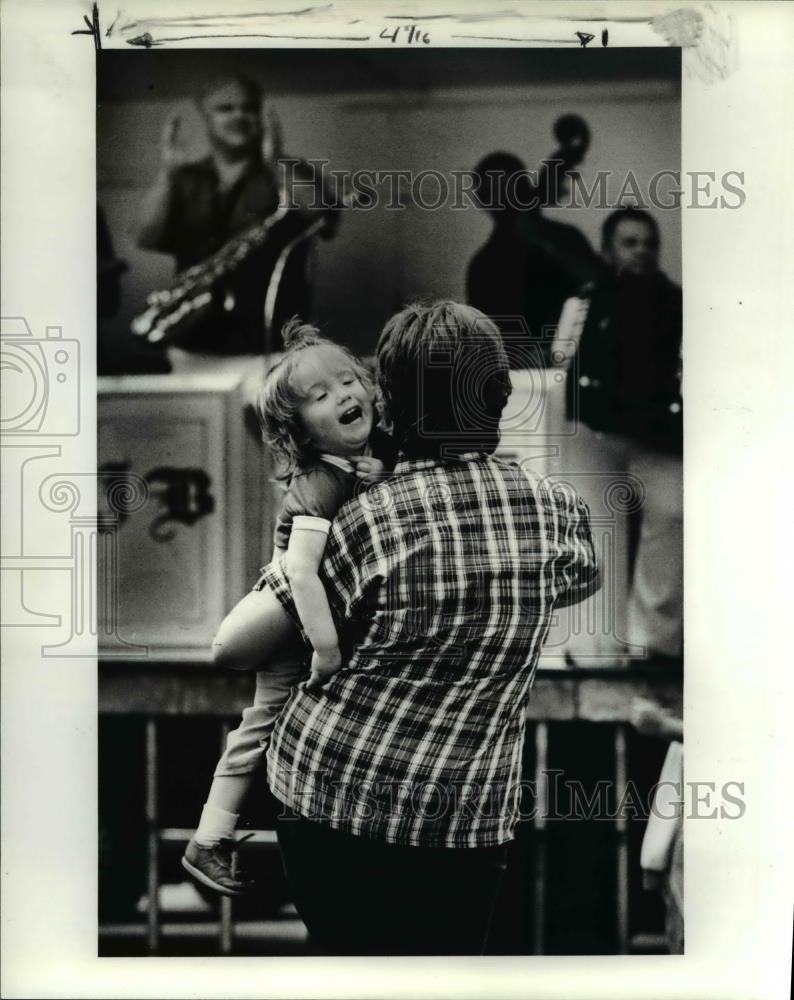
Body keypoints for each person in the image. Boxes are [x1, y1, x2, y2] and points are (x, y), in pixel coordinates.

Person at [246, 300, 600, 955]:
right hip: (465, 819)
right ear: (501, 393)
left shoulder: (361, 520)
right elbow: (581, 579)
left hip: (331, 798)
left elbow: (279, 625)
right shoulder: (559, 514)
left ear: (387, 403)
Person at [181, 318, 397, 896]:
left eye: (349, 381)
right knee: (261, 721)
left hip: (298, 622)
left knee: (260, 728)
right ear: (302, 432)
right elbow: (300, 571)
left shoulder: (359, 463)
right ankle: (209, 841)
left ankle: (209, 839)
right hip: (281, 618)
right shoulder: (320, 482)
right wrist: (326, 650)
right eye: (320, 398)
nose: (344, 396)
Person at [552, 207, 683, 664]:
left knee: (670, 521)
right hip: (597, 432)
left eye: (649, 242)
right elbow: (562, 368)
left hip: (657, 434)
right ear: (608, 249)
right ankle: (594, 652)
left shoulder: (678, 304)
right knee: (595, 534)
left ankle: (656, 646)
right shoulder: (583, 305)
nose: (642, 251)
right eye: (630, 242)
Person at [135, 72, 338, 355]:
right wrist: (168, 172)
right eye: (225, 109)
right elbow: (147, 238)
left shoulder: (290, 171)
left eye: (249, 108)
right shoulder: (184, 178)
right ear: (205, 115)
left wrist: (276, 161)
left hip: (274, 339)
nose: (239, 116)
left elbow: (323, 217)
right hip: (193, 340)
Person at [466, 150, 597, 368]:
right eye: (495, 192)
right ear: (483, 200)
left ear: (526, 189)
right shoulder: (483, 265)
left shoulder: (566, 239)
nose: (507, 200)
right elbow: (486, 342)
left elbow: (598, 285)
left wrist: (547, 245)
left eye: (513, 188)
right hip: (522, 377)